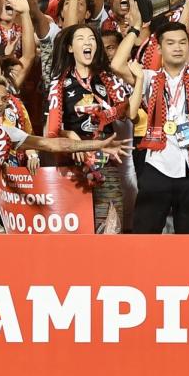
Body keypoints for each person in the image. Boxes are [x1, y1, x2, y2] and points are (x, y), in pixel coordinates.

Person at [0, 74, 124, 233]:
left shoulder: (6, 132)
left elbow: (52, 145)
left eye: (4, 99)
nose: (0, 103)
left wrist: (96, 145)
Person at [119, 0, 189, 234]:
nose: (177, 48)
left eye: (182, 43)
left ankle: (187, 276)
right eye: (170, 43)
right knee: (145, 235)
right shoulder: (149, 77)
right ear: (160, 49)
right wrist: (134, 28)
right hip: (157, 165)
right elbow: (117, 64)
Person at [46, 24, 132, 232]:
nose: (87, 42)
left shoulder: (108, 78)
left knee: (111, 229)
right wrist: (70, 137)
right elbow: (52, 132)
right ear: (69, 48)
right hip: (73, 166)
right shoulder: (59, 83)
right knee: (75, 234)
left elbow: (125, 109)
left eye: (92, 38)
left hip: (106, 162)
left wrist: (107, 114)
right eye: (81, 38)